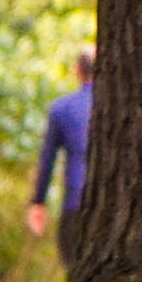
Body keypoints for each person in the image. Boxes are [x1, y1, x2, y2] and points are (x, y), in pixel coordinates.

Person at [30, 54, 95, 236]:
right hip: (117, 207)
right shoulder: (119, 106)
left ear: (77, 71)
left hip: (76, 202)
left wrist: (38, 202)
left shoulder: (62, 108)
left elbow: (48, 158)